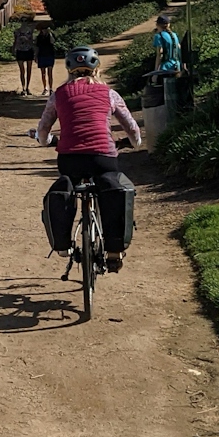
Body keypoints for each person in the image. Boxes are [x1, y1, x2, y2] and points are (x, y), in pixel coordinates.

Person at [35, 46, 141, 271]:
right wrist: (133, 143)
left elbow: (43, 130)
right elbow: (132, 129)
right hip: (103, 157)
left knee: (69, 186)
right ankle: (113, 249)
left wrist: (47, 142)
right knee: (110, 187)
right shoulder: (109, 94)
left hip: (69, 159)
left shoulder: (59, 95)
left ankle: (64, 245)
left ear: (69, 69)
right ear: (97, 68)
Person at [12, 15, 37, 94]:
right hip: (20, 50)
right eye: (22, 21)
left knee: (29, 70)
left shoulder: (29, 31)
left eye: (25, 21)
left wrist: (34, 49)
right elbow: (15, 41)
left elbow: (32, 41)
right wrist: (13, 49)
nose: (24, 23)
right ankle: (23, 88)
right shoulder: (17, 31)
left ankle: (27, 87)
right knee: (22, 70)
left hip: (28, 50)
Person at [34, 21, 59, 95]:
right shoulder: (38, 37)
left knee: (50, 73)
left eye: (45, 28)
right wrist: (36, 56)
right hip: (41, 55)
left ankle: (51, 88)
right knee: (43, 73)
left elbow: (53, 42)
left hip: (49, 55)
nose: (44, 30)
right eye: (43, 29)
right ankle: (45, 88)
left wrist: (50, 33)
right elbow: (37, 47)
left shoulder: (51, 35)